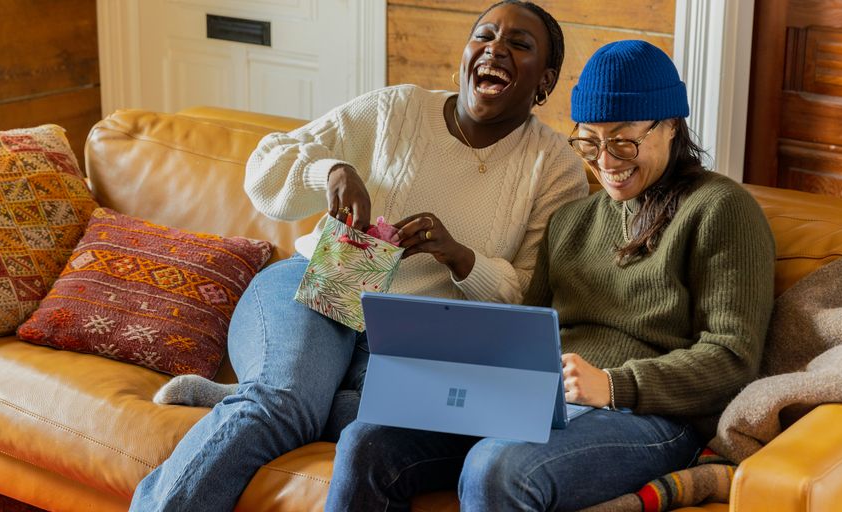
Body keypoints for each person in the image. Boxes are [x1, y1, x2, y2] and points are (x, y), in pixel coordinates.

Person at [129, 1, 588, 510]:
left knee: (399, 419)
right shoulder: (397, 109)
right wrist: (330, 172)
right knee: (281, 405)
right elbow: (266, 164)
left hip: (415, 341)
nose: (495, 49)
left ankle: (271, 396)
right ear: (466, 54)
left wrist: (461, 258)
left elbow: (533, 295)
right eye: (484, 35)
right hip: (317, 284)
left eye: (519, 45)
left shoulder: (557, 170)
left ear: (544, 82)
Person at [326, 40, 776, 511]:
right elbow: (526, 330)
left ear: (669, 126)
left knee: (496, 466)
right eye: (589, 142)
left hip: (651, 414)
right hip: (538, 400)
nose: (605, 162)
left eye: (623, 142)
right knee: (366, 441)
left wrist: (615, 384)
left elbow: (732, 358)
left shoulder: (721, 209)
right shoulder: (572, 221)